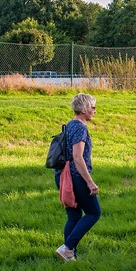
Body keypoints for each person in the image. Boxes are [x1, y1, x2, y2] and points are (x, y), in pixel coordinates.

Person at [54, 93, 101, 262]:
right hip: (76, 178)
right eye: (92, 107)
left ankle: (70, 255)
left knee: (74, 216)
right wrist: (90, 182)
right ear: (83, 109)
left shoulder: (70, 125)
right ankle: (67, 247)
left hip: (63, 176)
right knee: (94, 213)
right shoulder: (80, 127)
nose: (95, 110)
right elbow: (77, 157)